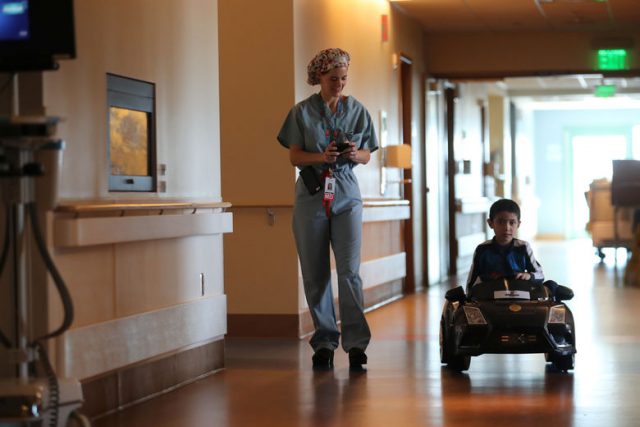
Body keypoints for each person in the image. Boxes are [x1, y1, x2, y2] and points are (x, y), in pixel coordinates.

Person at [277, 48, 378, 370]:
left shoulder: (357, 110)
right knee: (315, 272)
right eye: (333, 78)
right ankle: (324, 341)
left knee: (349, 272)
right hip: (312, 192)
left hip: (346, 191)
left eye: (344, 78)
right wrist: (322, 157)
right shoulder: (301, 112)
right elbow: (294, 156)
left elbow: (367, 155)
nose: (339, 84)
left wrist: (352, 154)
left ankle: (356, 344)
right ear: (318, 78)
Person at [466, 199, 558, 295]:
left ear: (518, 224)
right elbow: (471, 282)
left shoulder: (523, 247)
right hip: (490, 298)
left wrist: (529, 276)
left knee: (551, 285)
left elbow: (540, 275)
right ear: (490, 223)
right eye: (501, 222)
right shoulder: (482, 249)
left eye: (512, 222)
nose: (507, 228)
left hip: (518, 295)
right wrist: (468, 299)